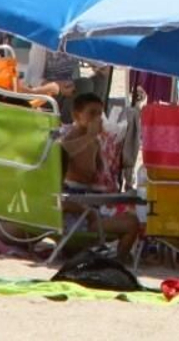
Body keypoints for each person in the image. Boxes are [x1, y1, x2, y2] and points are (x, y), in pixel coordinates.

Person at [59, 91, 139, 260]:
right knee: (132, 224)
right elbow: (65, 157)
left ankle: (117, 259)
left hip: (86, 207)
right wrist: (90, 137)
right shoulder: (72, 138)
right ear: (76, 115)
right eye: (91, 113)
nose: (97, 118)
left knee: (132, 216)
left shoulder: (94, 141)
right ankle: (117, 262)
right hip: (77, 215)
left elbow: (99, 176)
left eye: (100, 114)